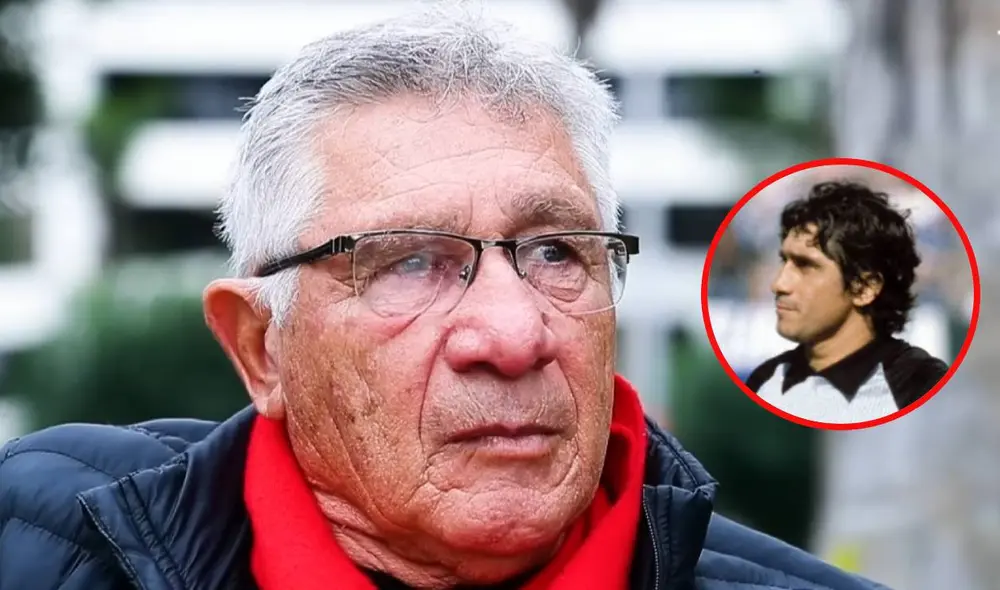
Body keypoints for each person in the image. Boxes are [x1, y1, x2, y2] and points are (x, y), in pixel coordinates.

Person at [0, 7, 887, 590]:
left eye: (556, 251)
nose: (513, 333)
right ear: (262, 347)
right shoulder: (33, 543)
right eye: (410, 263)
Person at [745, 181, 949, 424]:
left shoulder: (920, 385)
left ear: (863, 288)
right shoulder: (766, 380)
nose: (779, 284)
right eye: (784, 262)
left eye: (806, 266)